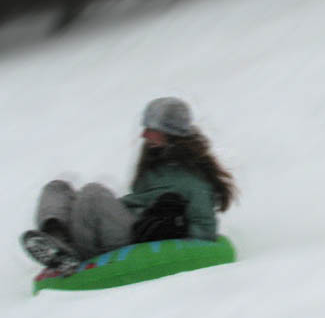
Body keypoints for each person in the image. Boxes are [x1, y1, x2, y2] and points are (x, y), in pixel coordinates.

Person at [21, 97, 237, 273]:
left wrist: (173, 229)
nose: (143, 134)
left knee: (93, 194)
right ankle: (56, 240)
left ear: (170, 132)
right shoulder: (153, 164)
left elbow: (206, 231)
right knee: (57, 187)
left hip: (135, 233)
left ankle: (73, 253)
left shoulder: (195, 181)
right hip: (125, 221)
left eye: (150, 129)